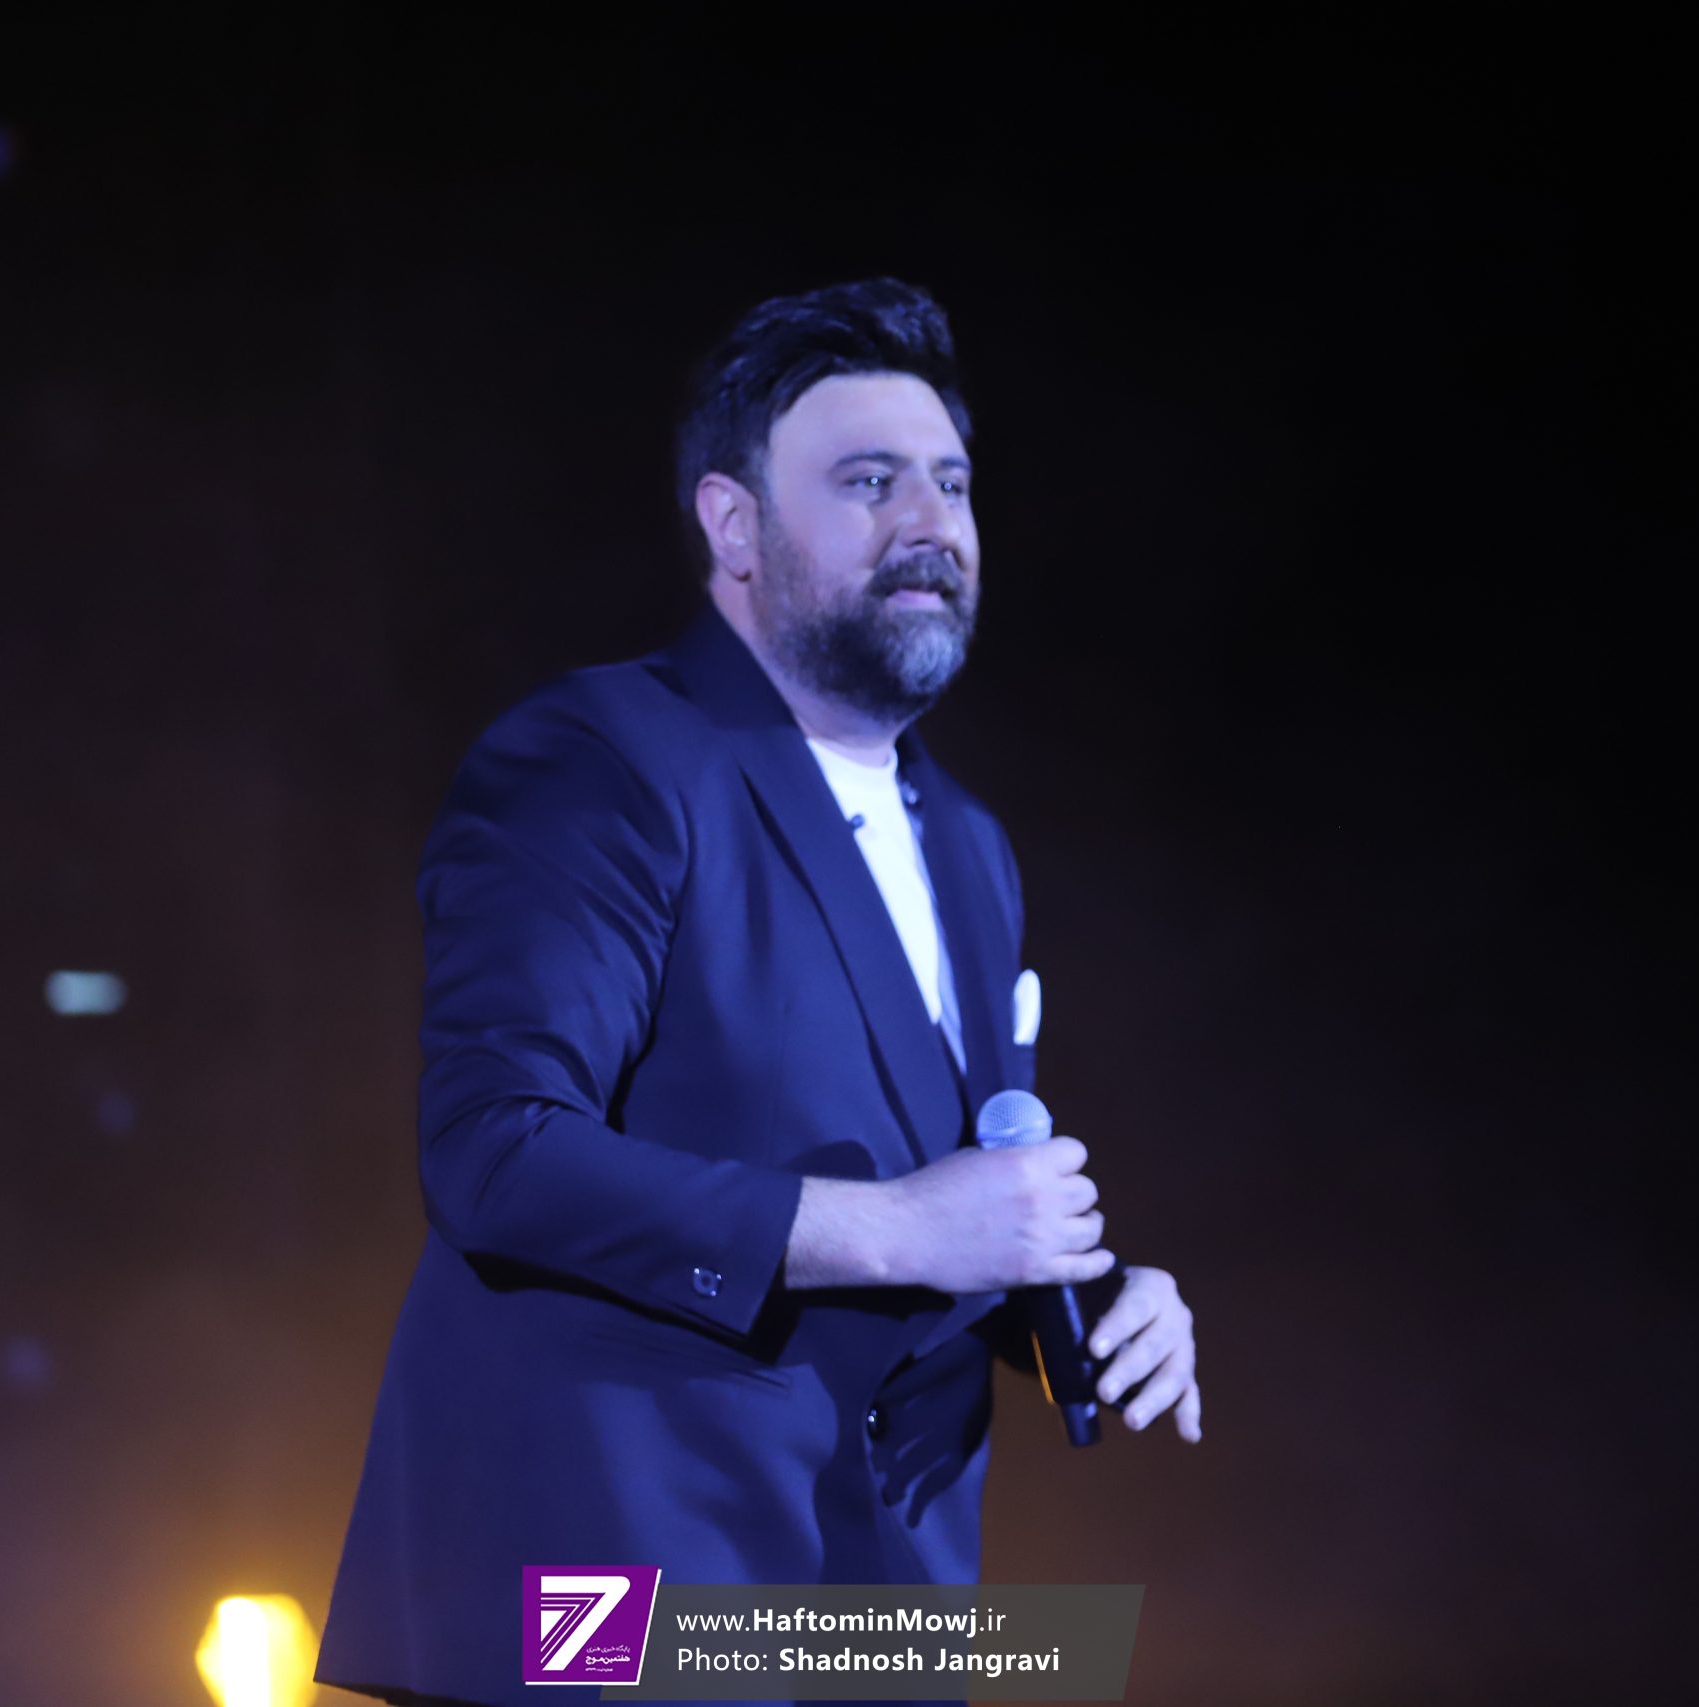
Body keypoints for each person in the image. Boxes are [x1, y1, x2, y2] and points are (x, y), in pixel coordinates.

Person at [314, 278, 1201, 1707]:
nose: (930, 522)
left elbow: (937, 1194)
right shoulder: (602, 757)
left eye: (952, 482)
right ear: (734, 527)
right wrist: (904, 1226)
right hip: (613, 1620)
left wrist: (1083, 1297)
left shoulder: (970, 844)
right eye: (868, 482)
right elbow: (494, 1152)